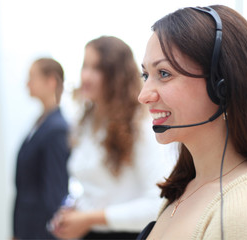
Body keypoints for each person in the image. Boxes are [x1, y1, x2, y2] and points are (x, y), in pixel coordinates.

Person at [137, 5, 247, 240]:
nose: (143, 95)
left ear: (221, 87)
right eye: (146, 75)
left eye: (164, 73)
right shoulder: (185, 189)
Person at [51, 36, 174, 240]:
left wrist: (89, 219)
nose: (86, 76)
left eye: (97, 68)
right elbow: (97, 190)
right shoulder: (86, 121)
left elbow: (159, 205)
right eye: (85, 66)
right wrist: (75, 210)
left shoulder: (140, 125)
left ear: (116, 75)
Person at [13, 58, 70, 239]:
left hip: (41, 232)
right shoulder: (40, 123)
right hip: (26, 228)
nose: (27, 83)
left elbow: (55, 189)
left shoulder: (56, 129)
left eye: (32, 77)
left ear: (51, 81)